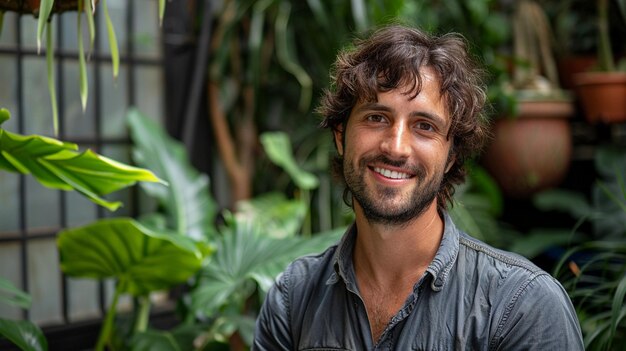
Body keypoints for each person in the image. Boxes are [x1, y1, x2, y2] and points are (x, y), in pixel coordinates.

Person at [252, 25, 584, 350]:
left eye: (424, 127)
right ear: (341, 136)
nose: (396, 147)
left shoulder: (521, 306)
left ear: (451, 155)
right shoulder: (293, 299)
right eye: (377, 117)